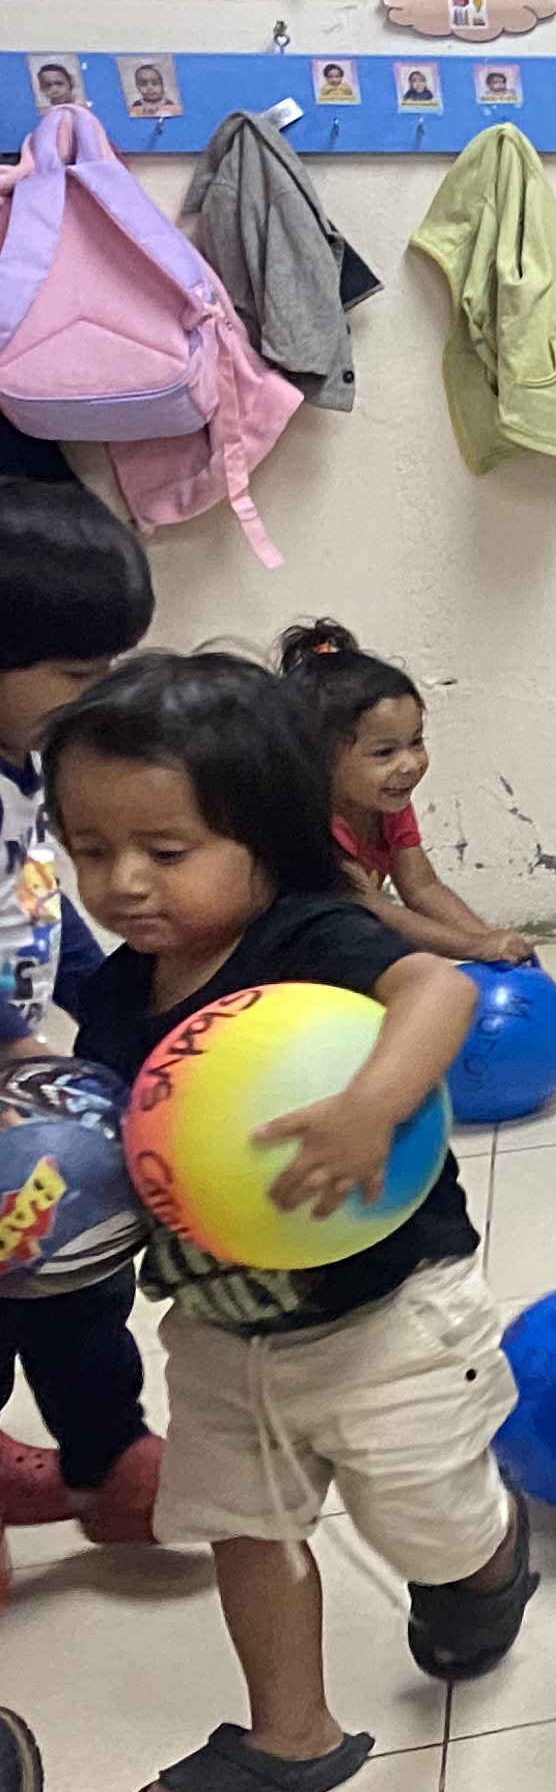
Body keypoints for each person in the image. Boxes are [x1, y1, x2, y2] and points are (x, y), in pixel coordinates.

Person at [48, 654, 534, 1792]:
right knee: (246, 1521)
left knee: (425, 1524)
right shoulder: (117, 998)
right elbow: (118, 1143)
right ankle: (289, 1735)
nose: (123, 883)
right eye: (90, 850)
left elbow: (439, 992)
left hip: (389, 1312)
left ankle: (490, 1555)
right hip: (221, 1322)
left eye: (165, 851)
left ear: (264, 832)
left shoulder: (314, 938)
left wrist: (372, 1104)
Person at [0, 483, 157, 1571]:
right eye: (75, 676)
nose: (96, 702)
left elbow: (44, 911)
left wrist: (128, 1011)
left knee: (82, 1276)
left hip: (24, 1102)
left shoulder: (31, 772)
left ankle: (108, 1460)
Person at [277, 621, 536, 965]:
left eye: (415, 742)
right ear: (318, 759)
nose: (411, 764)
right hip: (286, 968)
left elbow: (422, 888)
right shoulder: (312, 826)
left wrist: (496, 944)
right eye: (384, 752)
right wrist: (474, 947)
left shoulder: (388, 803)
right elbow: (376, 911)